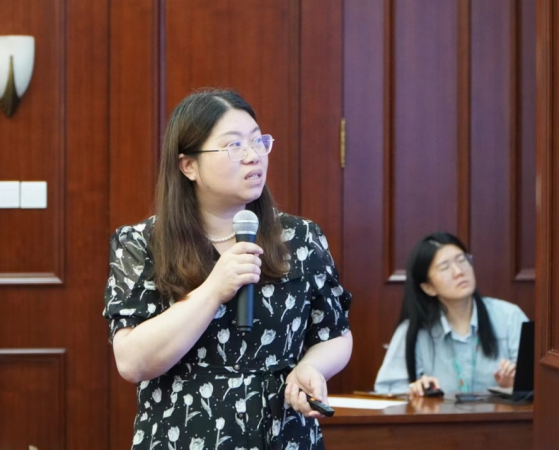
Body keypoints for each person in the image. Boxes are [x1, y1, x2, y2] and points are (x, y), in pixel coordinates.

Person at [103, 88, 353, 449]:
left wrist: (311, 367)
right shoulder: (142, 243)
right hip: (183, 435)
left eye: (258, 141)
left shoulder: (301, 237)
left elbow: (335, 333)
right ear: (188, 165)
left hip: (283, 434)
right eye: (234, 146)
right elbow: (132, 362)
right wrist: (213, 289)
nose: (254, 156)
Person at [374, 232, 528, 396]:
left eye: (462, 260)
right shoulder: (413, 331)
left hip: (501, 413)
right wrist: (415, 391)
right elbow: (387, 391)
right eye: (445, 267)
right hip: (439, 414)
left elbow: (537, 383)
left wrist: (514, 385)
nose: (459, 271)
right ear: (428, 288)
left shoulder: (509, 317)